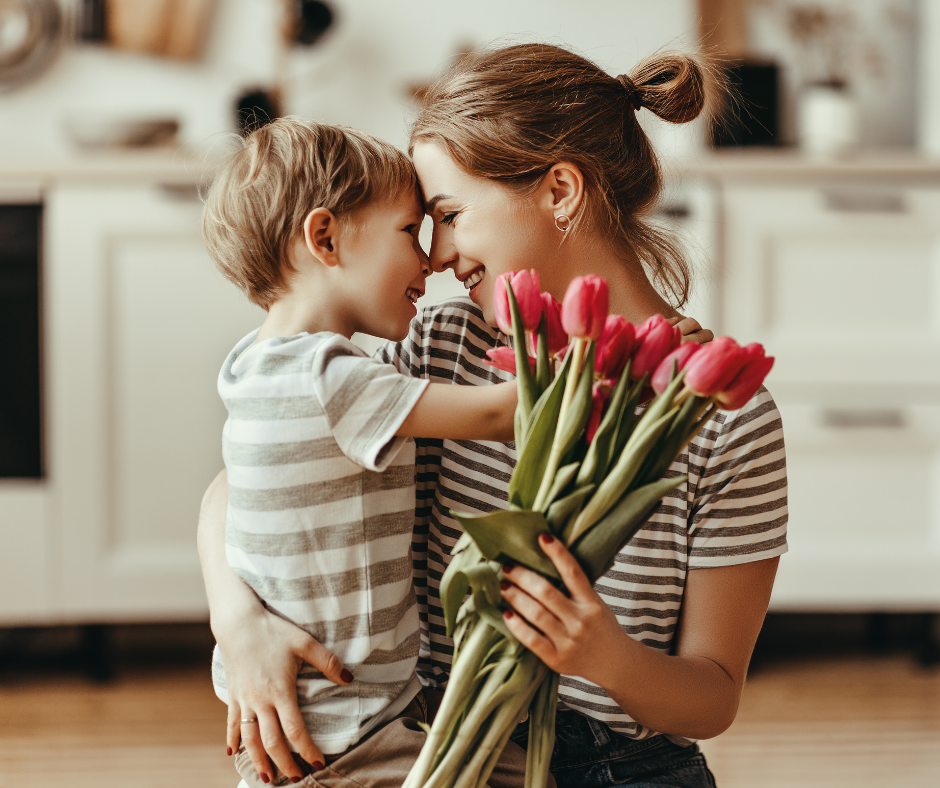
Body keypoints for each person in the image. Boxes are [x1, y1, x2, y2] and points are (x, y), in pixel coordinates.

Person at [198, 44, 787, 788]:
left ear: (561, 190)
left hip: (618, 767)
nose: (436, 255)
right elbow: (251, 476)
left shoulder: (723, 416)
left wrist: (603, 654)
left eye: (447, 215)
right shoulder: (442, 345)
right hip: (432, 744)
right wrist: (238, 622)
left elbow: (712, 698)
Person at [202, 117, 532, 788]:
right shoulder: (330, 378)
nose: (429, 259)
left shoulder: (254, 363)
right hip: (346, 729)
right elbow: (503, 414)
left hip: (328, 714)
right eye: (410, 230)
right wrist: (640, 352)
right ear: (325, 237)